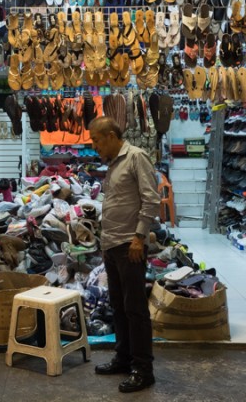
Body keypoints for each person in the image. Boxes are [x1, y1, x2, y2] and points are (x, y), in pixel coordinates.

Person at [88, 116, 160, 393]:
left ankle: (144, 369)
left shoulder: (136, 157)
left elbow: (151, 199)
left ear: (109, 136)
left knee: (135, 310)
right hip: (112, 244)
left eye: (95, 140)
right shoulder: (114, 163)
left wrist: (139, 237)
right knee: (118, 306)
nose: (94, 146)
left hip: (130, 245)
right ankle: (124, 357)